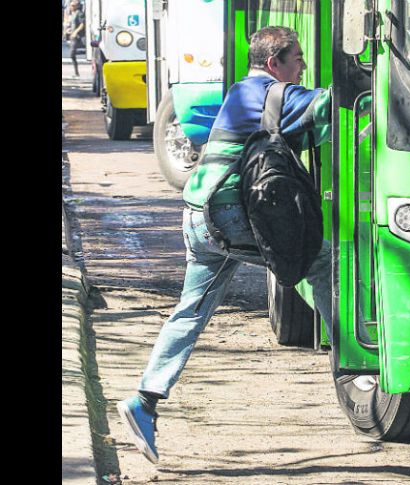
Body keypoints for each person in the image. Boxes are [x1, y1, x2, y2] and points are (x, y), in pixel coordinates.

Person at [116, 26, 338, 465]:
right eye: (297, 60)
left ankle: (144, 400)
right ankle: (357, 363)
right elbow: (331, 102)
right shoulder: (272, 94)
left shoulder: (242, 90)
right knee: (324, 264)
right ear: (275, 63)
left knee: (192, 309)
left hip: (199, 210)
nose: (303, 68)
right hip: (226, 215)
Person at [65, 0, 86, 78]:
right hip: (73, 36)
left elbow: (82, 24)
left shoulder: (79, 13)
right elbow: (73, 24)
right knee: (72, 54)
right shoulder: (73, 14)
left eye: (73, 5)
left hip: (78, 37)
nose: (71, 7)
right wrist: (69, 30)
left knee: (72, 54)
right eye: (71, 6)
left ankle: (77, 73)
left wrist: (75, 32)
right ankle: (76, 73)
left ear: (77, 6)